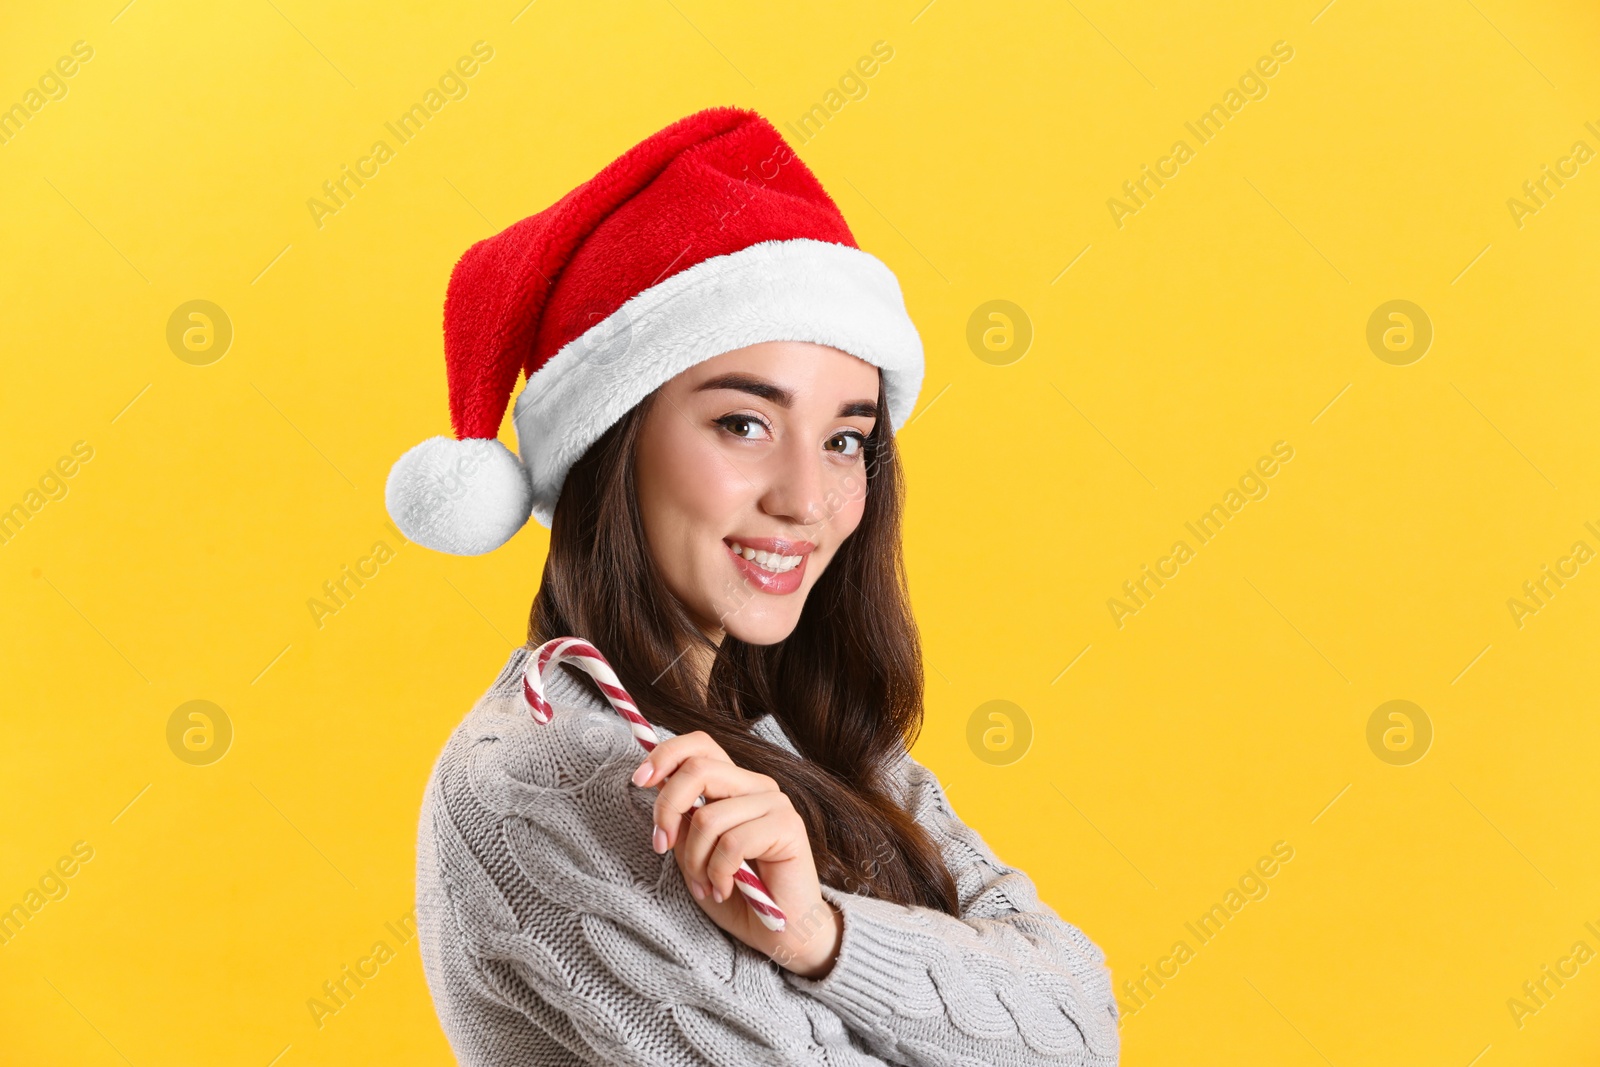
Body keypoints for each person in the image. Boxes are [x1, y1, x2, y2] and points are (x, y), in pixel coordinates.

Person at [386, 106, 1119, 1066]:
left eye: (846, 439)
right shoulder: (551, 781)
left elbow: (1078, 1030)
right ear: (612, 444)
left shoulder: (800, 724)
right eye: (743, 423)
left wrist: (823, 939)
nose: (808, 499)